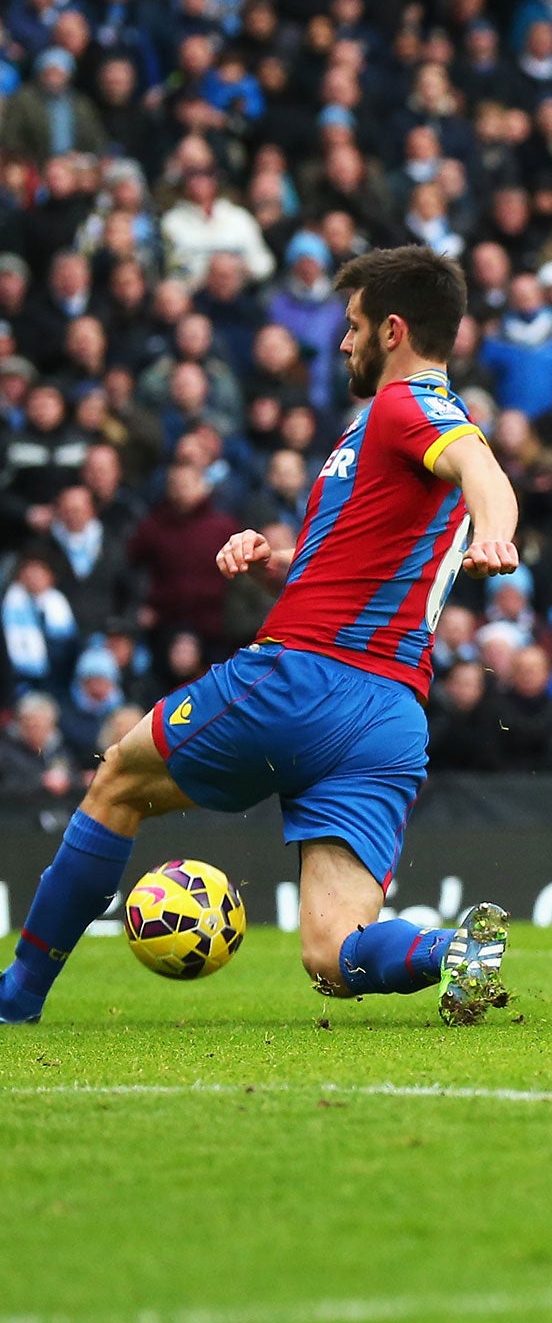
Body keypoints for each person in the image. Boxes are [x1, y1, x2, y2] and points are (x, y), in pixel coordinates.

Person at [0, 248, 521, 1028]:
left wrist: (498, 534)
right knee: (333, 952)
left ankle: (17, 997)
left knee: (116, 782)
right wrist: (275, 561)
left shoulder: (406, 407)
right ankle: (448, 952)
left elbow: (484, 470)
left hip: (303, 681)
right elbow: (358, 567)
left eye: (352, 328)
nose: (342, 344)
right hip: (389, 715)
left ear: (394, 329)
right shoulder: (381, 436)